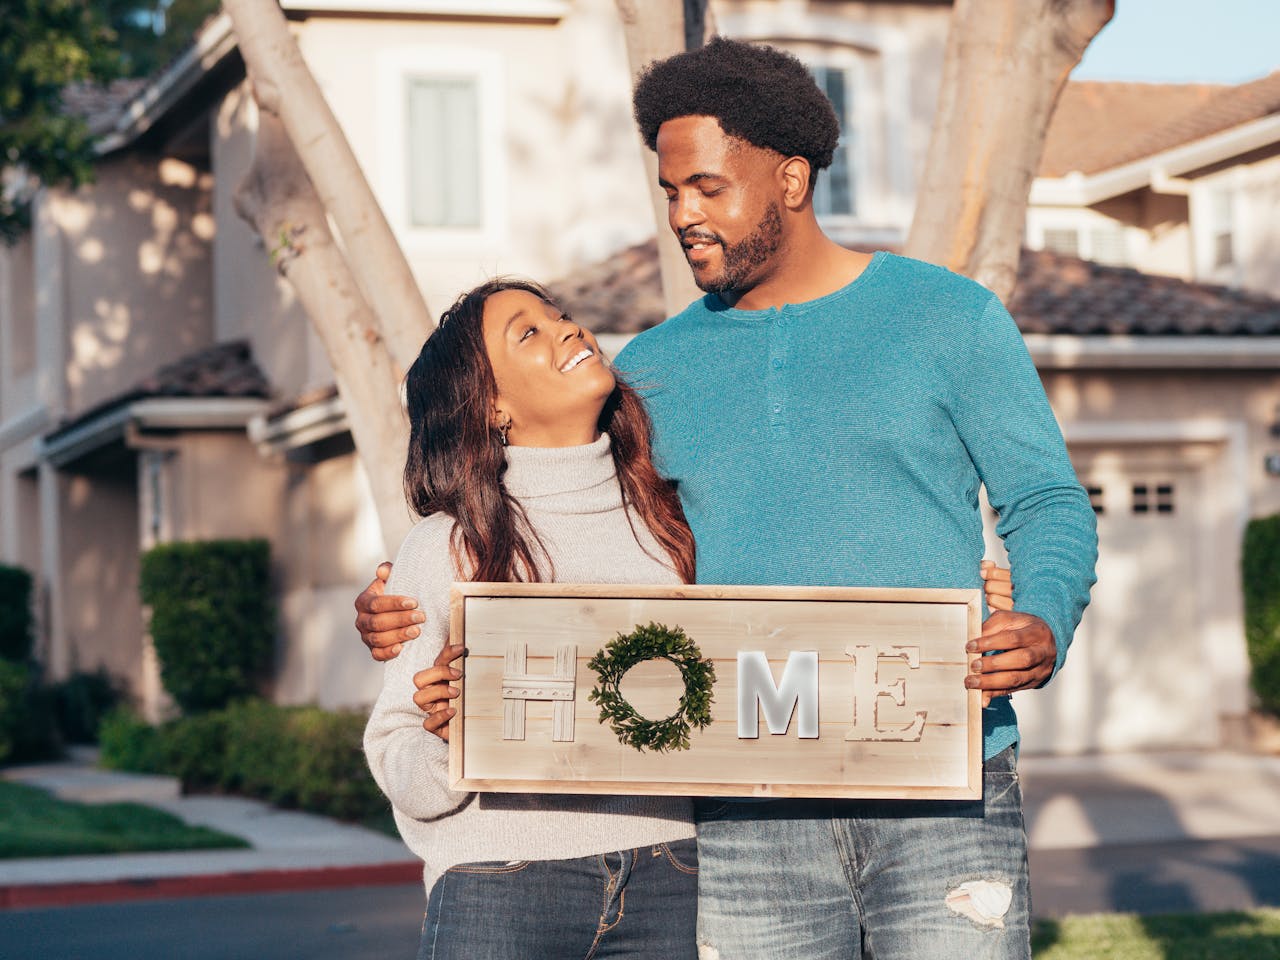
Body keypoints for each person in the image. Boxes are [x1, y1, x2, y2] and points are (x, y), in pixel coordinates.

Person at [357, 37, 1097, 960]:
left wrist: (1041, 615)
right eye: (670, 192)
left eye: (707, 187)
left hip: (945, 778)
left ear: (789, 178)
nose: (683, 215)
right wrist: (406, 603)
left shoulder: (951, 319)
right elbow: (558, 510)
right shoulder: (649, 373)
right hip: (744, 810)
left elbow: (1046, 502)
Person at [364, 278, 700, 960]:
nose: (569, 330)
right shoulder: (446, 545)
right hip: (501, 883)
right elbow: (398, 756)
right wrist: (446, 737)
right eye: (529, 333)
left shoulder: (674, 527)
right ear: (493, 406)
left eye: (563, 317)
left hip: (673, 876)